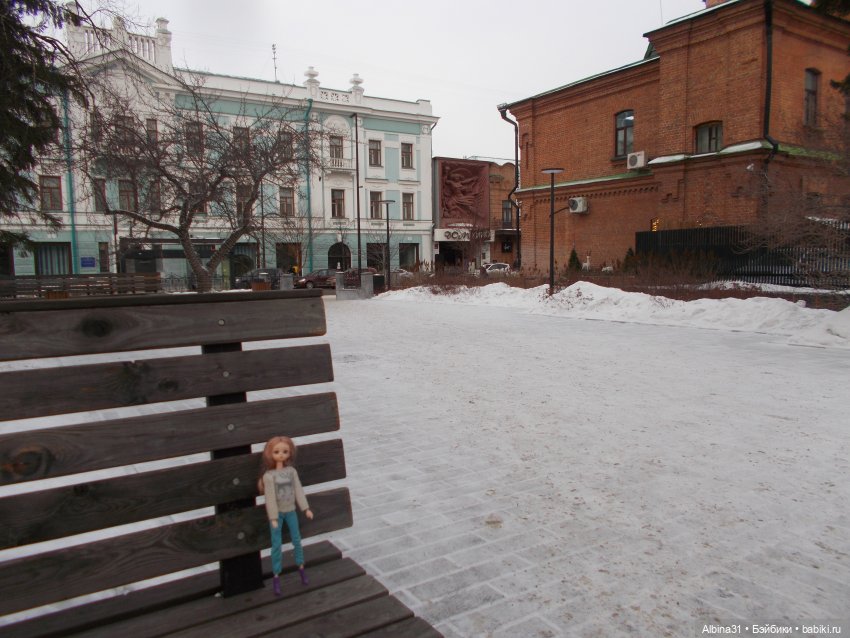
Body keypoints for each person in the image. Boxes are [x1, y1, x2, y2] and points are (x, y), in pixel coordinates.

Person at [259, 436, 314, 595]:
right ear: (270, 454)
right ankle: (276, 575)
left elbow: (298, 490)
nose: (281, 455)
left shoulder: (291, 472)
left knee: (297, 540)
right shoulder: (269, 476)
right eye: (276, 452)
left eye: (285, 451)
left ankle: (301, 568)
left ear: (289, 453)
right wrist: (273, 518)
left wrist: (305, 508)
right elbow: (270, 498)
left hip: (291, 511)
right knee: (277, 545)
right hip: (278, 515)